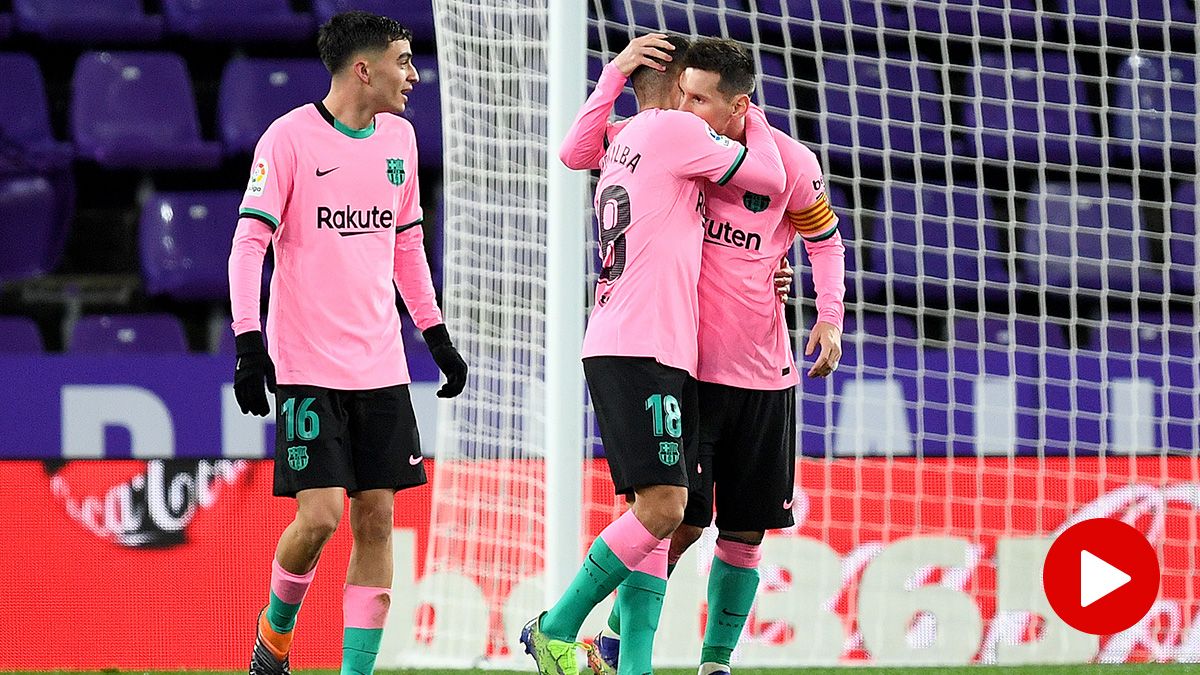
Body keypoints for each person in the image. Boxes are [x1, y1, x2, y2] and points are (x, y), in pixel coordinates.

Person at [573, 38, 846, 675]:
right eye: (681, 93)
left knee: (745, 531)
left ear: (736, 105)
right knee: (674, 524)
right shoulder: (666, 141)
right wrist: (616, 75)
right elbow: (584, 148)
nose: (684, 106)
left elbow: (825, 242)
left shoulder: (792, 163)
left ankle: (714, 663)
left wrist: (827, 317)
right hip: (686, 368)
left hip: (763, 373)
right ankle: (614, 647)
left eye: (698, 97)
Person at [521, 34, 787, 675]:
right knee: (665, 508)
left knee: (654, 514)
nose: (697, 103)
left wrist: (612, 72)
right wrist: (747, 115)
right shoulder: (673, 131)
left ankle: (629, 664)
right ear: (673, 91)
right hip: (643, 344)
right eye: (691, 91)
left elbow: (570, 149)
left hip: (637, 342)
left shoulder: (625, 140)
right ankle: (555, 628)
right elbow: (771, 176)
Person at [227, 11, 468, 675]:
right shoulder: (289, 140)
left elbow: (408, 243)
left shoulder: (400, 140)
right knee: (322, 516)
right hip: (307, 364)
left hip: (380, 365)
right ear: (364, 69)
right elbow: (249, 245)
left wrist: (435, 333)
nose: (414, 75)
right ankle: (275, 634)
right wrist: (250, 342)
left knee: (378, 519)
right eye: (402, 61)